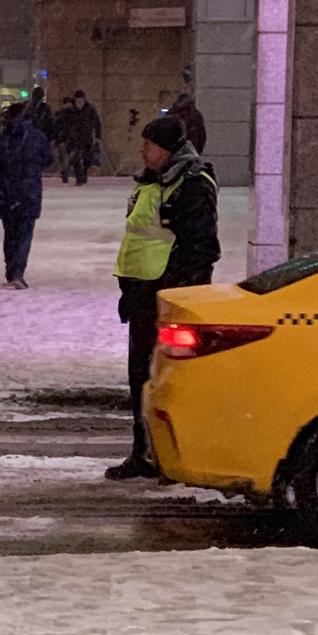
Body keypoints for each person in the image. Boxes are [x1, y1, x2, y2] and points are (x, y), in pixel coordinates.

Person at [105, 114, 220, 480]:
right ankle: (144, 453)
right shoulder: (152, 182)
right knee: (140, 379)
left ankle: (174, 457)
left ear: (167, 149)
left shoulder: (190, 185)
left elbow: (200, 249)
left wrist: (171, 291)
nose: (143, 149)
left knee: (169, 382)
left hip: (168, 300)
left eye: (149, 144)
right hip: (143, 296)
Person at [0, 99, 54, 288]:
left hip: (7, 193)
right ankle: (18, 272)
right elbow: (48, 160)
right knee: (24, 233)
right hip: (30, 192)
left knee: (10, 233)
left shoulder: (0, 139)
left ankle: (10, 271)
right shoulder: (38, 137)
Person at [71, 90, 102, 185]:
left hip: (86, 137)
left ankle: (84, 173)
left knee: (87, 158)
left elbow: (97, 123)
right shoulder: (72, 110)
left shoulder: (90, 109)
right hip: (74, 138)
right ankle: (79, 177)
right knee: (75, 158)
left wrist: (97, 136)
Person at [53, 96, 80, 183]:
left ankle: (65, 171)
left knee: (66, 157)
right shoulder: (76, 114)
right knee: (66, 156)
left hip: (67, 139)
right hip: (67, 139)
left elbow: (55, 126)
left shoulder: (61, 114)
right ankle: (65, 171)